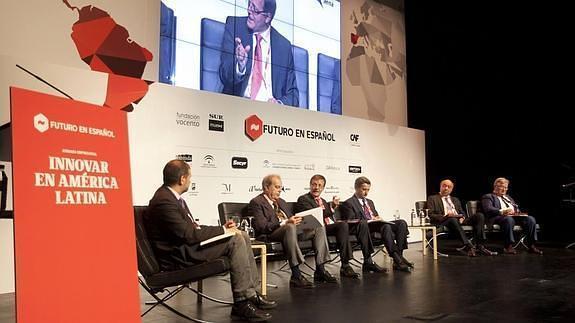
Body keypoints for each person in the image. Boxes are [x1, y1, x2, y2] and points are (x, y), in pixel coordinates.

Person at [144, 160, 276, 322]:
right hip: (178, 256)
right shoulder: (164, 201)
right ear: (182, 179)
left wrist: (223, 227)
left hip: (187, 247)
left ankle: (252, 293)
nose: (191, 181)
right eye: (190, 178)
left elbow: (193, 228)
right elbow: (188, 234)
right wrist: (223, 231)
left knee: (242, 235)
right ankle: (241, 303)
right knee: (236, 240)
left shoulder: (170, 197)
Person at [249, 174, 336, 288]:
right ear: (266, 187)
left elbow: (291, 218)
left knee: (318, 226)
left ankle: (320, 270)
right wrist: (285, 223)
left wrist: (300, 221)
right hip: (272, 234)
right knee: (289, 226)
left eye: (280, 187)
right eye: (276, 187)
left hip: (292, 231)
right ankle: (296, 275)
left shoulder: (282, 202)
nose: (280, 190)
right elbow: (262, 226)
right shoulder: (257, 202)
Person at [219, 0, 299, 107]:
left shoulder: (283, 46)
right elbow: (224, 75)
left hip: (270, 114)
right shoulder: (235, 26)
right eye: (249, 5)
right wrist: (240, 66)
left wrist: (279, 104)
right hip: (238, 107)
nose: (249, 11)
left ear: (268, 17)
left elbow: (293, 94)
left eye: (255, 10)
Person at [294, 174, 370, 279]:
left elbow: (327, 215)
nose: (316, 187)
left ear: (323, 188)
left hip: (327, 227)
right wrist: (332, 208)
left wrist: (334, 217)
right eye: (314, 184)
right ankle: (327, 269)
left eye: (320, 185)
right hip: (314, 229)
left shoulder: (323, 201)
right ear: (310, 185)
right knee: (341, 225)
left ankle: (345, 265)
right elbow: (314, 216)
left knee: (343, 224)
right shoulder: (303, 199)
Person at [340, 176, 413, 272]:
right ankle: (397, 259)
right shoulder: (349, 203)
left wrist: (377, 218)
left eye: (368, 190)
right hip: (364, 227)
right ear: (356, 188)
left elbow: (375, 215)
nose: (366, 192)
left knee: (401, 223)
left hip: (376, 225)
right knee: (386, 227)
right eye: (363, 189)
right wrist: (368, 219)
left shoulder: (370, 202)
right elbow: (351, 220)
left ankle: (399, 256)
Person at [426, 179, 497, 257]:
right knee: (452, 219)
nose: (446, 188)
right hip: (445, 220)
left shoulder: (455, 199)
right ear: (440, 187)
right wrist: (445, 216)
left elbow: (462, 212)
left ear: (451, 189)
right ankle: (468, 246)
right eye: (444, 186)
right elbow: (431, 214)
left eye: (449, 187)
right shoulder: (432, 198)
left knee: (479, 215)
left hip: (459, 220)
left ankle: (480, 245)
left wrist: (463, 217)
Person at [481, 177, 543, 255]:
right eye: (502, 187)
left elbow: (516, 208)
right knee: (508, 219)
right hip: (498, 217)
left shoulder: (508, 198)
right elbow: (488, 209)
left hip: (513, 217)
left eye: (506, 188)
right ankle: (508, 246)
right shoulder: (488, 196)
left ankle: (531, 245)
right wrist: (503, 211)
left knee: (530, 219)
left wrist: (518, 213)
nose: (504, 190)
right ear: (495, 186)